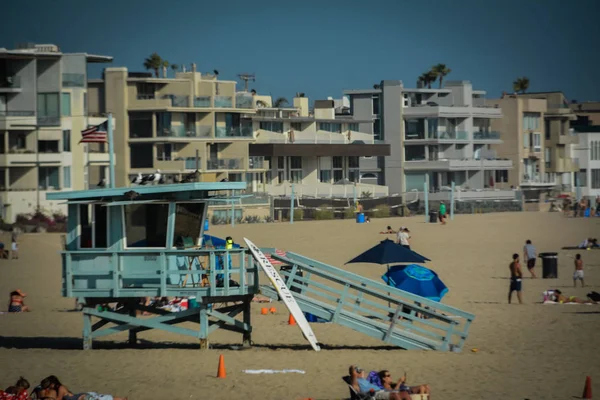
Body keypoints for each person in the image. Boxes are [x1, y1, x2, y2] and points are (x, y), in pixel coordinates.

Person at [39, 376, 128, 400]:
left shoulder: (61, 388)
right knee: (102, 397)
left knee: (101, 399)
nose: (49, 388)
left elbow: (58, 399)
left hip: (80, 397)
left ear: (53, 384)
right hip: (81, 396)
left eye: (49, 386)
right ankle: (121, 399)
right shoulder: (59, 388)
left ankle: (121, 399)